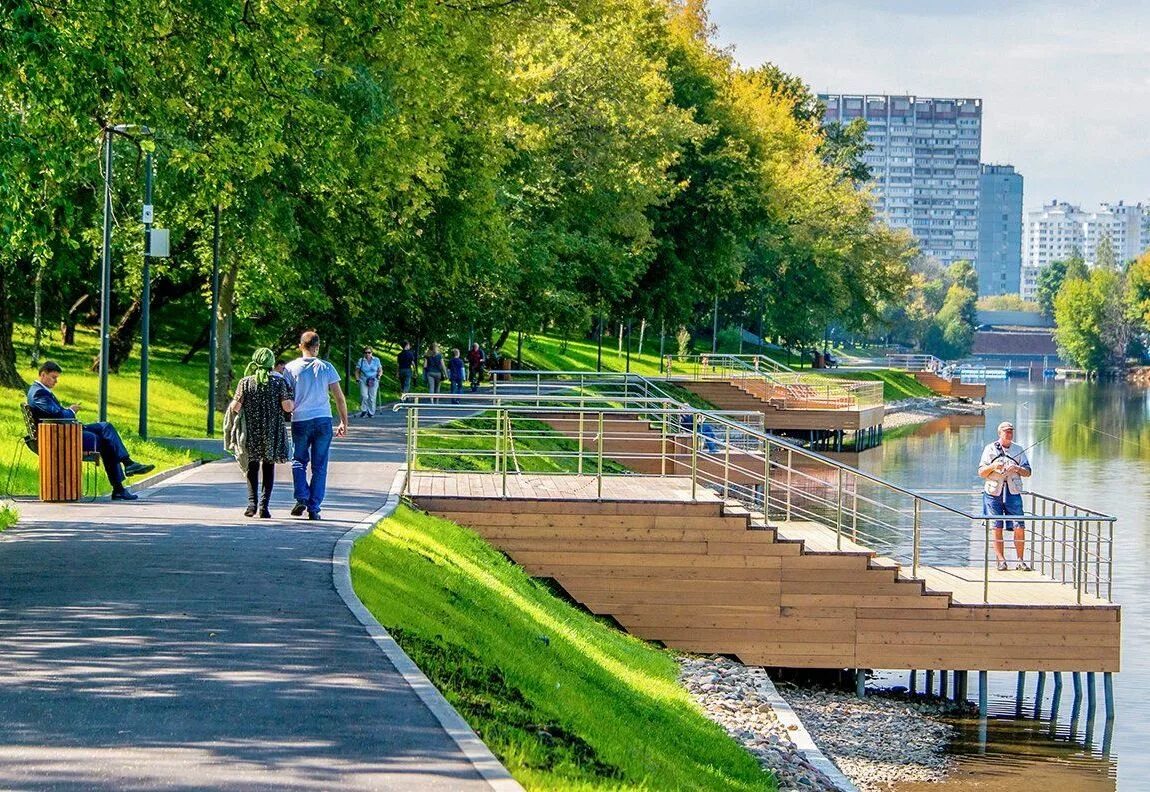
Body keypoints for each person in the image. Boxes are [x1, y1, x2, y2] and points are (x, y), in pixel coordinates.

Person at [26, 360, 154, 500]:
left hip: (63, 432)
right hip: (59, 437)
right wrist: (71, 411)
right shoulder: (38, 393)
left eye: (57, 378)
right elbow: (57, 414)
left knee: (106, 427)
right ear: (43, 375)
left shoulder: (40, 392)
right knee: (106, 441)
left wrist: (68, 413)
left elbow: (55, 413)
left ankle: (126, 469)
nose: (56, 381)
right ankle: (124, 474)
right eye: (53, 377)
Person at [283, 331, 349, 520]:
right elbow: (339, 397)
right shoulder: (326, 367)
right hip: (323, 420)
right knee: (320, 466)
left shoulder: (290, 368)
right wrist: (344, 421)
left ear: (300, 346)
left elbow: (286, 397)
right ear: (317, 347)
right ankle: (314, 508)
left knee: (299, 461)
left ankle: (302, 497)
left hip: (300, 420)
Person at [227, 348, 295, 518]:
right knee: (268, 466)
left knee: (252, 466)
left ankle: (252, 504)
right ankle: (264, 506)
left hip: (252, 430)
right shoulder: (279, 383)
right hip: (272, 430)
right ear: (271, 363)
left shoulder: (245, 382)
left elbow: (236, 407)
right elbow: (287, 407)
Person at [978, 421, 1033, 571]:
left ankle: (1020, 560)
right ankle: (1001, 561)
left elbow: (1028, 472)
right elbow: (981, 472)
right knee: (996, 526)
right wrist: (994, 466)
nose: (1009, 434)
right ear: (999, 433)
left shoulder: (1018, 449)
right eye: (1006, 431)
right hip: (993, 492)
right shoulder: (990, 449)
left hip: (1012, 492)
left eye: (1011, 431)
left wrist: (1016, 468)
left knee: (1019, 525)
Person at [354, 346, 383, 418]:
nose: (367, 354)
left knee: (372, 397)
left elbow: (380, 370)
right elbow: (357, 371)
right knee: (364, 396)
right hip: (364, 379)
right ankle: (364, 410)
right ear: (364, 353)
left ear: (371, 353)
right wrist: (357, 379)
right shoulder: (361, 360)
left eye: (369, 352)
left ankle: (371, 412)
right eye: (366, 353)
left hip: (374, 380)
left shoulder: (376, 360)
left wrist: (379, 375)